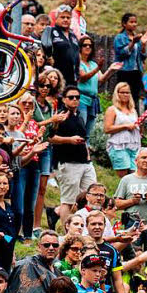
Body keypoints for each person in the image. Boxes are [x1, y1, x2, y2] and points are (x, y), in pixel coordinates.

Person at [51, 85, 96, 224]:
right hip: (67, 162)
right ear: (64, 99)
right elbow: (50, 137)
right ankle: (67, 233)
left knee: (91, 196)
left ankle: (81, 227)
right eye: (71, 97)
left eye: (77, 97)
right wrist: (69, 140)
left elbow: (84, 140)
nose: (75, 100)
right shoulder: (60, 116)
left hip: (84, 162)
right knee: (69, 201)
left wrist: (88, 157)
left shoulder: (79, 116)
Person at [104, 82, 143, 178]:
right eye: (123, 92)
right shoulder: (112, 109)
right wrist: (125, 126)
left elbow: (136, 127)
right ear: (117, 94)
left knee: (136, 174)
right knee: (124, 176)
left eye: (128, 92)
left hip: (134, 144)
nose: (126, 95)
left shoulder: (133, 110)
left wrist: (139, 125)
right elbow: (107, 128)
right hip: (118, 145)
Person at [113, 13, 147, 104]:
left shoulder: (138, 37)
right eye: (131, 22)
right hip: (124, 71)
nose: (134, 24)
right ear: (124, 24)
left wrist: (143, 44)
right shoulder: (120, 38)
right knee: (123, 97)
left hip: (136, 72)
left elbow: (143, 56)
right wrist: (133, 42)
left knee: (135, 98)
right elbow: (121, 53)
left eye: (135, 22)